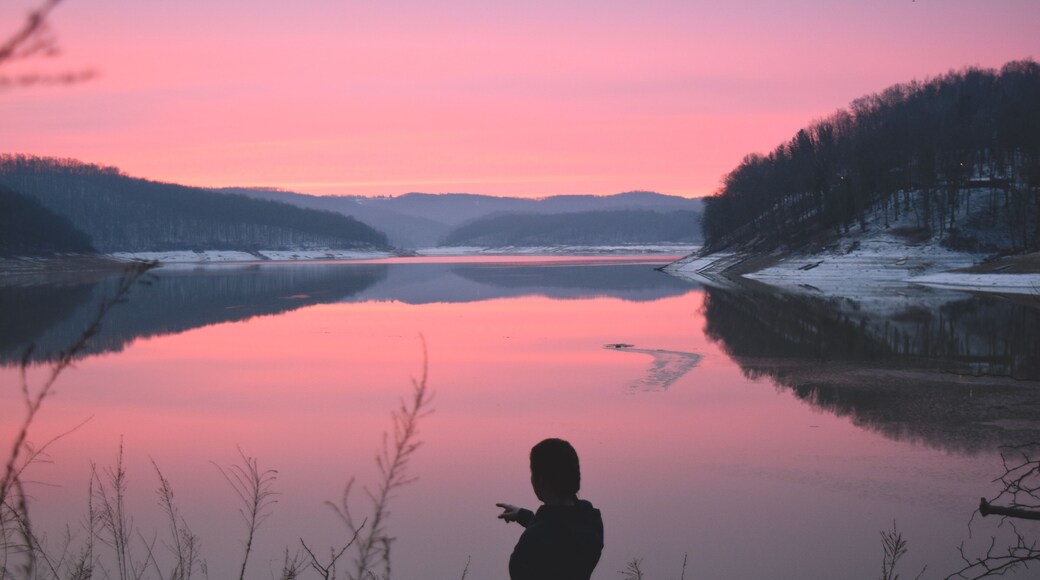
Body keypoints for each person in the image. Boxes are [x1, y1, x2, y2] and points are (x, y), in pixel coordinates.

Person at [496, 438, 604, 580]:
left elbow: (550, 533)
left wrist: (532, 523)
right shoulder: (591, 521)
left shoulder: (533, 541)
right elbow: (559, 531)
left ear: (540, 480)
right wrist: (523, 515)